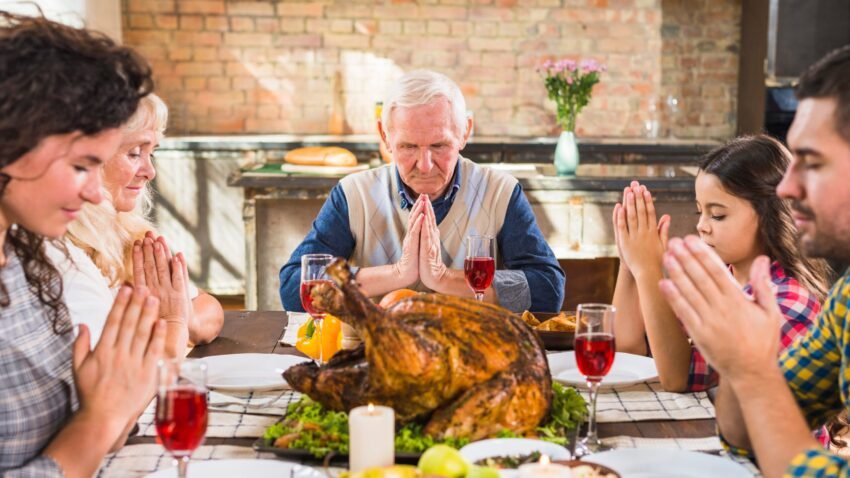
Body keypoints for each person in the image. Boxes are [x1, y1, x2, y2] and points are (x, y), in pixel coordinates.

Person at [658, 45, 850, 477]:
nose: (785, 189)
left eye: (813, 163)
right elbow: (745, 438)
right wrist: (741, 364)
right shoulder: (846, 302)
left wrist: (750, 371)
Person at [0, 13, 166, 476]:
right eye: (81, 166)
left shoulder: (29, 262)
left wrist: (111, 405)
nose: (96, 193)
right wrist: (98, 420)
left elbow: (99, 428)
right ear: (11, 142)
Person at [279, 70, 564, 313]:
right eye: (408, 147)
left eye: (439, 146)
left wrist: (443, 279)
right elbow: (294, 289)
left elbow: (548, 291)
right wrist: (396, 274)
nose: (425, 166)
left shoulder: (501, 192)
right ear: (384, 136)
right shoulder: (354, 194)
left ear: (465, 132)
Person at [612, 135, 830, 392]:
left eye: (717, 215)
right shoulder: (716, 283)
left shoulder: (790, 303)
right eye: (699, 211)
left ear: (768, 215)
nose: (701, 226)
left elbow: (680, 376)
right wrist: (630, 262)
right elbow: (628, 350)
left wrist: (648, 269)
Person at [48, 93, 224, 356]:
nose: (149, 171)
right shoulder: (59, 251)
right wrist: (173, 324)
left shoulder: (128, 232)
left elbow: (208, 309)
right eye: (134, 153)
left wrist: (182, 317)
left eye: (151, 153)